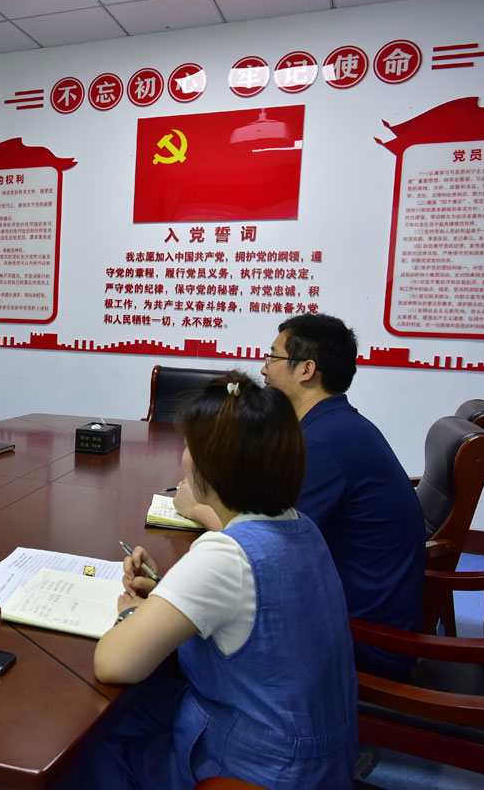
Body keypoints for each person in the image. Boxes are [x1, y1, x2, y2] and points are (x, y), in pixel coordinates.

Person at [88, 372, 357, 789]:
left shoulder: (225, 556)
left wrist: (131, 614)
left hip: (256, 769)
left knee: (90, 747)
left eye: (190, 447)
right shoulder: (301, 526)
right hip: (316, 758)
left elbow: (112, 664)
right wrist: (166, 599)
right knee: (139, 706)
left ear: (211, 465)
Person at [172, 313, 424, 674]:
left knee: (186, 634)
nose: (264, 369)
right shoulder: (337, 425)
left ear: (306, 369)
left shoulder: (323, 443)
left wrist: (196, 507)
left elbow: (268, 548)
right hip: (352, 606)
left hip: (362, 638)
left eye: (272, 357)